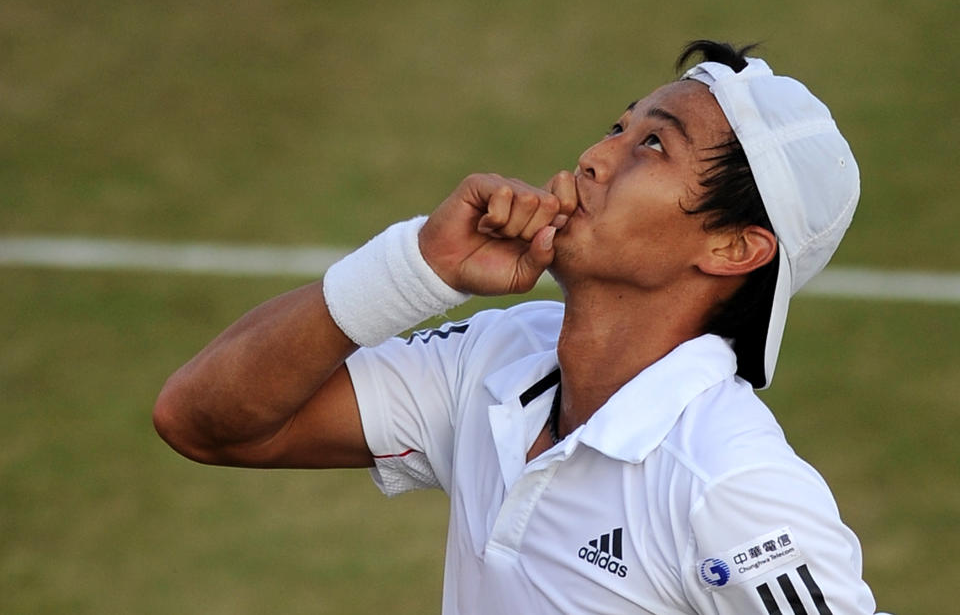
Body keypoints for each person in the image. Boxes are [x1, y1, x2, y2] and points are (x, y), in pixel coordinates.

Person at [154, 40, 889, 614]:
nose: (595, 157)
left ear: (734, 247)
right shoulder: (498, 357)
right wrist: (416, 269)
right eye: (617, 126)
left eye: (653, 146)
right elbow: (207, 422)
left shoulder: (731, 487)